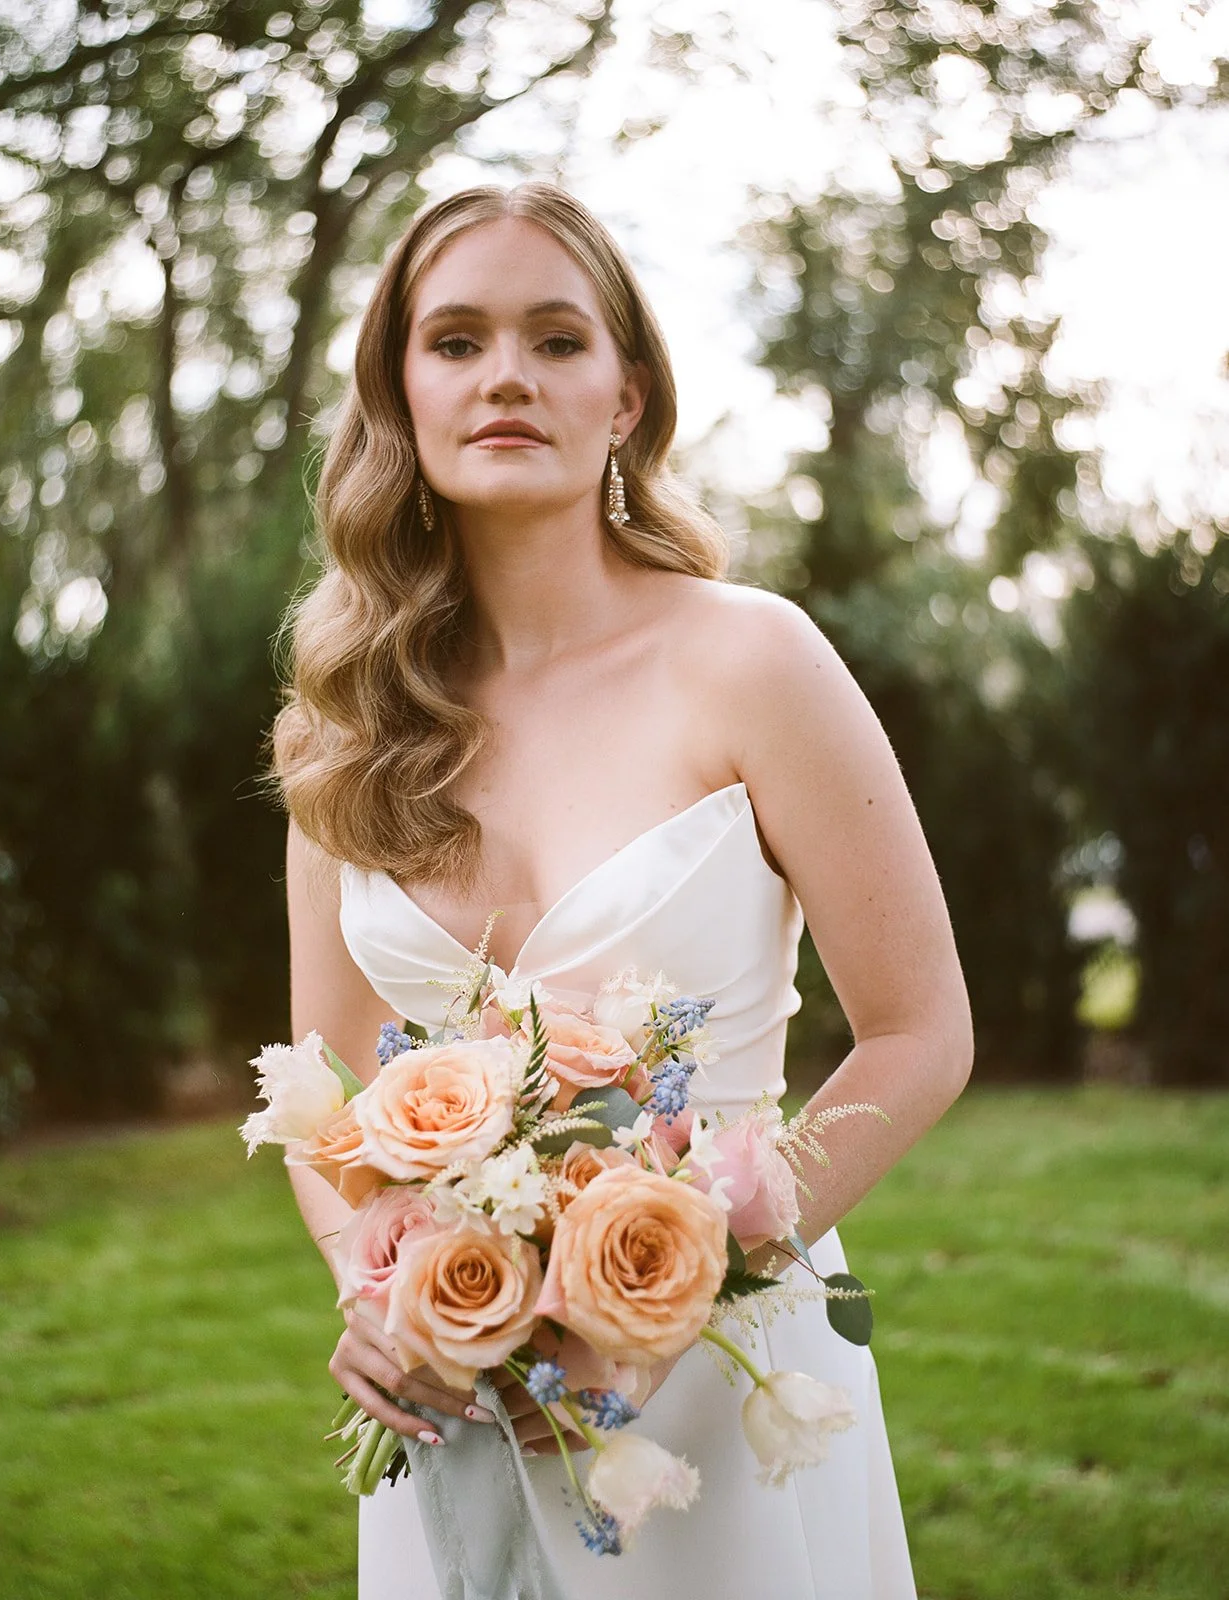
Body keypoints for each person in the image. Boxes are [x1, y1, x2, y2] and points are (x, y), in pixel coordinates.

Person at [273, 182, 972, 1600]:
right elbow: (326, 1091)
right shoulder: (344, 721)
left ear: (629, 396)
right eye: (456, 341)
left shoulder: (753, 663)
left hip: (727, 1378)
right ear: (399, 394)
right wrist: (372, 1283)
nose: (508, 375)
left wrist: (674, 1291)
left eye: (556, 338)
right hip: (454, 1386)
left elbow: (920, 1033)